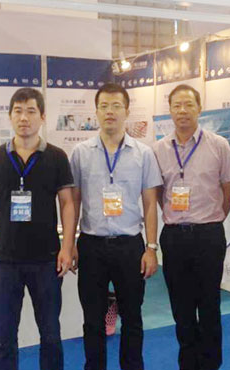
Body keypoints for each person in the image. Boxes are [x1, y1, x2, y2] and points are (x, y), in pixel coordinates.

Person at [0, 88, 76, 370]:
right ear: (10, 116)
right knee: (5, 336)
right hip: (5, 260)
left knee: (51, 334)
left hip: (47, 259)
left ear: (42, 117)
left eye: (31, 111)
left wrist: (67, 247)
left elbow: (67, 203)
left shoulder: (57, 157)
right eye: (18, 111)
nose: (24, 118)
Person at [70, 82, 162, 370]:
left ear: (127, 111)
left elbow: (150, 203)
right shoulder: (81, 153)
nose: (110, 111)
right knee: (92, 319)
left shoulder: (143, 153)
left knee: (132, 317)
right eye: (104, 106)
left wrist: (151, 248)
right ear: (96, 112)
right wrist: (70, 243)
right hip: (91, 245)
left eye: (116, 106)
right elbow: (73, 202)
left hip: (129, 245)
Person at [152, 84, 230, 370]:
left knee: (209, 304)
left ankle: (211, 364)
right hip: (174, 236)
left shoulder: (218, 145)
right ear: (170, 111)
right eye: (177, 105)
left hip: (208, 234)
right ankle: (188, 362)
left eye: (189, 104)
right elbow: (159, 194)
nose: (183, 111)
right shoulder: (159, 149)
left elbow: (228, 190)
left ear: (199, 108)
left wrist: (212, 218)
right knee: (181, 306)